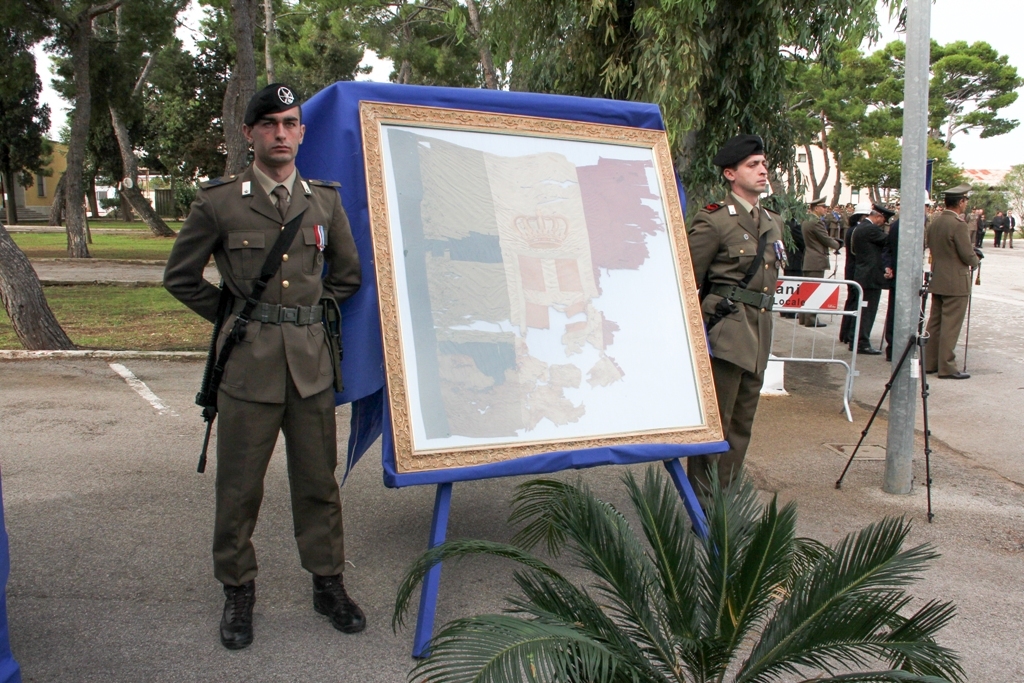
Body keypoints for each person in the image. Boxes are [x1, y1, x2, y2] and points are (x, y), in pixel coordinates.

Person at [163, 83, 364, 650]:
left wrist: (305, 318)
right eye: (270, 123)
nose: (281, 133)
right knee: (239, 488)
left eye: (291, 123)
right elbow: (180, 278)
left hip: (309, 368)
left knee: (318, 484)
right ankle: (237, 590)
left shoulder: (323, 199)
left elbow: (346, 276)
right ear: (249, 132)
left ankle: (328, 584)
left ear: (302, 132)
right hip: (247, 369)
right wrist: (233, 319)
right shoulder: (219, 202)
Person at [686, 134, 782, 497]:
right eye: (752, 165)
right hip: (725, 332)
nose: (762, 171)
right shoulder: (714, 221)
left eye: (764, 165)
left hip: (759, 332)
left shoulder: (772, 221)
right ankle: (704, 504)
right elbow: (686, 283)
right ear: (730, 173)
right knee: (718, 424)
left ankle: (726, 497)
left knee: (742, 424)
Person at [924, 185, 981, 379]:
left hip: (938, 277)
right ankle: (947, 366)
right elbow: (966, 254)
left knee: (935, 322)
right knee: (950, 325)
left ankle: (929, 363)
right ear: (961, 202)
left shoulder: (935, 223)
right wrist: (976, 260)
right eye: (965, 201)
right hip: (956, 281)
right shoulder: (958, 224)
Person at [848, 203, 894, 355]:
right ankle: (862, 342)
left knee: (862, 310)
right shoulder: (870, 229)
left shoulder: (860, 227)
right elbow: (889, 241)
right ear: (878, 216)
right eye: (883, 220)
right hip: (870, 276)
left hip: (863, 273)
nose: (883, 224)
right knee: (867, 312)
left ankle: (855, 339)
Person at [799, 196, 841, 327]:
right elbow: (825, 239)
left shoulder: (806, 220)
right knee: (813, 291)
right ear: (816, 208)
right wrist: (837, 245)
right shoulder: (816, 222)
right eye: (823, 207)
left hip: (809, 258)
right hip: (816, 259)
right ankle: (811, 319)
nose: (826, 209)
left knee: (807, 290)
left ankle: (803, 318)